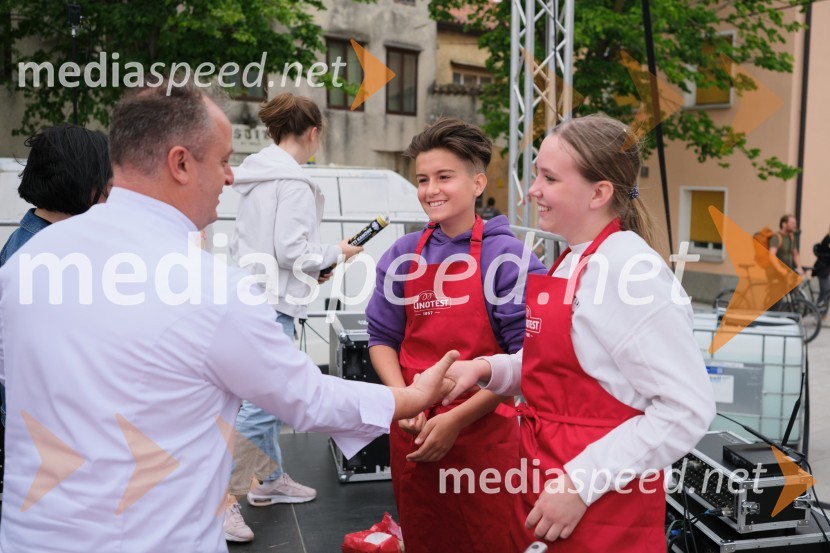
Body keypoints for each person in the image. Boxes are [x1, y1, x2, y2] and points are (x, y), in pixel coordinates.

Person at [0, 79, 456, 553]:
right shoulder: (212, 288)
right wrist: (410, 397)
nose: (231, 178)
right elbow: (309, 399)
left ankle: (265, 480)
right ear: (180, 163)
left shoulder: (26, 262)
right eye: (222, 161)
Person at [442, 114, 715, 552]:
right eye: (536, 175)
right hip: (546, 487)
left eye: (549, 178)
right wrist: (487, 369)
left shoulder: (629, 273)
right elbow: (566, 366)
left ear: (599, 193)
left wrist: (580, 483)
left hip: (601, 514)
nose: (532, 191)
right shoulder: (573, 260)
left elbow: (686, 409)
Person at [366, 118, 546, 553]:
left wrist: (456, 420)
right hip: (413, 428)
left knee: (488, 539)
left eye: (444, 177)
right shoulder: (402, 254)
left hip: (485, 436)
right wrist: (402, 399)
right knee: (425, 534)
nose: (431, 190)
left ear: (478, 183)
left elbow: (529, 359)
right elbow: (381, 337)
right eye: (422, 179)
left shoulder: (510, 258)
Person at [223, 93, 360, 542]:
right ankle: (221, 500)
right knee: (265, 404)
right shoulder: (294, 182)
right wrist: (334, 253)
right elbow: (292, 250)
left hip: (251, 294)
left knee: (262, 398)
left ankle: (269, 479)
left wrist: (311, 268)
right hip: (273, 304)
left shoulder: (258, 174)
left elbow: (265, 246)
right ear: (313, 132)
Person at [0, 123, 111, 512]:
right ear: (84, 183)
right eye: (107, 182)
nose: (112, 193)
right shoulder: (41, 260)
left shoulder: (41, 244)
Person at [813, 226, 830, 313]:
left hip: (825, 269)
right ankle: (818, 311)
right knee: (826, 291)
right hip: (822, 269)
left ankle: (819, 311)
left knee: (825, 291)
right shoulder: (828, 239)